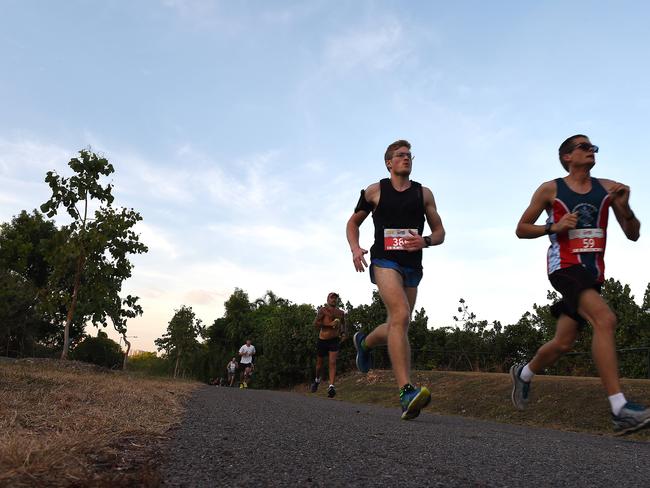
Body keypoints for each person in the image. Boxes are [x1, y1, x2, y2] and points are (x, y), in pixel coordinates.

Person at [511, 134, 649, 435]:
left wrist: (625, 209)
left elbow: (634, 234)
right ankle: (619, 408)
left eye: (594, 147)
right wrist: (554, 226)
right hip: (564, 266)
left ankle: (523, 373)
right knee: (605, 319)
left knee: (563, 342)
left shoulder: (610, 189)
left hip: (592, 272)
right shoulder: (551, 189)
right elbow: (521, 228)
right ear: (567, 157)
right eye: (584, 147)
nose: (591, 151)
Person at [346, 139, 445, 420]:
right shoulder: (374, 191)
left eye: (409, 156)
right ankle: (406, 392)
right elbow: (353, 223)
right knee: (400, 314)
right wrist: (355, 248)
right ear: (389, 162)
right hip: (383, 260)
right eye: (400, 156)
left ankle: (364, 343)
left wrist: (424, 241)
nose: (406, 159)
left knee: (397, 324)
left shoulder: (423, 194)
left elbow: (440, 233)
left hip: (412, 265)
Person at [310, 292, 347, 398]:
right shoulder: (323, 310)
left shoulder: (340, 313)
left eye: (335, 298)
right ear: (327, 299)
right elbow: (315, 323)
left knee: (332, 362)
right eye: (332, 298)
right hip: (322, 340)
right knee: (319, 365)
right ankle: (317, 381)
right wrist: (328, 325)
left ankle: (331, 387)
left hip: (334, 340)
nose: (334, 300)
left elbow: (344, 323)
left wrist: (343, 333)